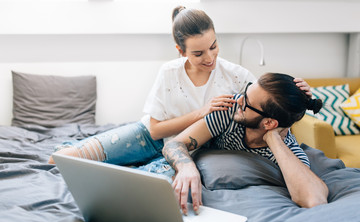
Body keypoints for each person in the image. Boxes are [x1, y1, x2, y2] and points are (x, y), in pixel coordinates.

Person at [48, 7, 311, 181]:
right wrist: (202, 112)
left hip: (191, 147)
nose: (210, 58)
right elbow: (154, 131)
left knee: (138, 185)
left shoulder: (236, 75)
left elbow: (269, 104)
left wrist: (304, 95)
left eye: (214, 46)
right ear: (180, 50)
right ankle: (98, 154)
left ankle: (129, 166)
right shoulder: (169, 73)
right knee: (59, 160)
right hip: (149, 137)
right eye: (198, 53)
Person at [162, 72, 329, 215]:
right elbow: (175, 144)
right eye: (246, 91)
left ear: (269, 123)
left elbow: (314, 200)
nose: (239, 100)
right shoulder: (230, 109)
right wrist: (186, 168)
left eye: (247, 102)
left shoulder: (289, 152)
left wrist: (273, 139)